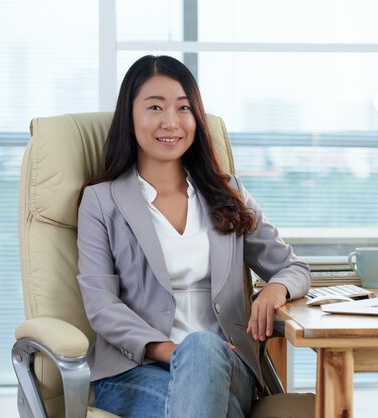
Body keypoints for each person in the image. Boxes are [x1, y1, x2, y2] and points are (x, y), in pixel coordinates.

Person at [76, 55, 311, 418]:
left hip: (229, 364)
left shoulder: (227, 192)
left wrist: (276, 288)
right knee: (217, 401)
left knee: (203, 354)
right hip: (135, 370)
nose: (171, 122)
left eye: (183, 108)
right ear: (130, 115)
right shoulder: (101, 201)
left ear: (196, 118)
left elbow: (292, 268)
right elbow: (102, 305)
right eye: (155, 107)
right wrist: (171, 349)